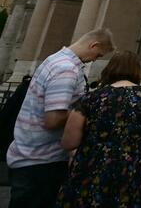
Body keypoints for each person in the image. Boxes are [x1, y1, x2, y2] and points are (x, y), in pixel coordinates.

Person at [7, 28, 113, 208]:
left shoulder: (54, 60)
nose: (96, 59)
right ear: (93, 45)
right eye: (98, 54)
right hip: (42, 162)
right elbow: (53, 119)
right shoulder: (66, 70)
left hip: (29, 154)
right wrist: (87, 111)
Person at [57, 50, 141, 208]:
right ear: (138, 70)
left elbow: (69, 142)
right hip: (131, 165)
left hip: (92, 162)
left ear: (110, 68)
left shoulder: (92, 97)